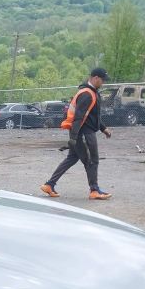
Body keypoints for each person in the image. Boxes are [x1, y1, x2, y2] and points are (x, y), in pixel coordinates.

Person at [41, 68, 113, 200]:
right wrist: (73, 137)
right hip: (84, 133)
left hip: (81, 132)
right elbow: (79, 117)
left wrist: (103, 129)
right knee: (92, 160)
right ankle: (94, 190)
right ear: (95, 78)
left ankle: (49, 185)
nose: (103, 83)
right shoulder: (87, 94)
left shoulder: (91, 92)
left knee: (72, 158)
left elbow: (93, 116)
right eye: (102, 80)